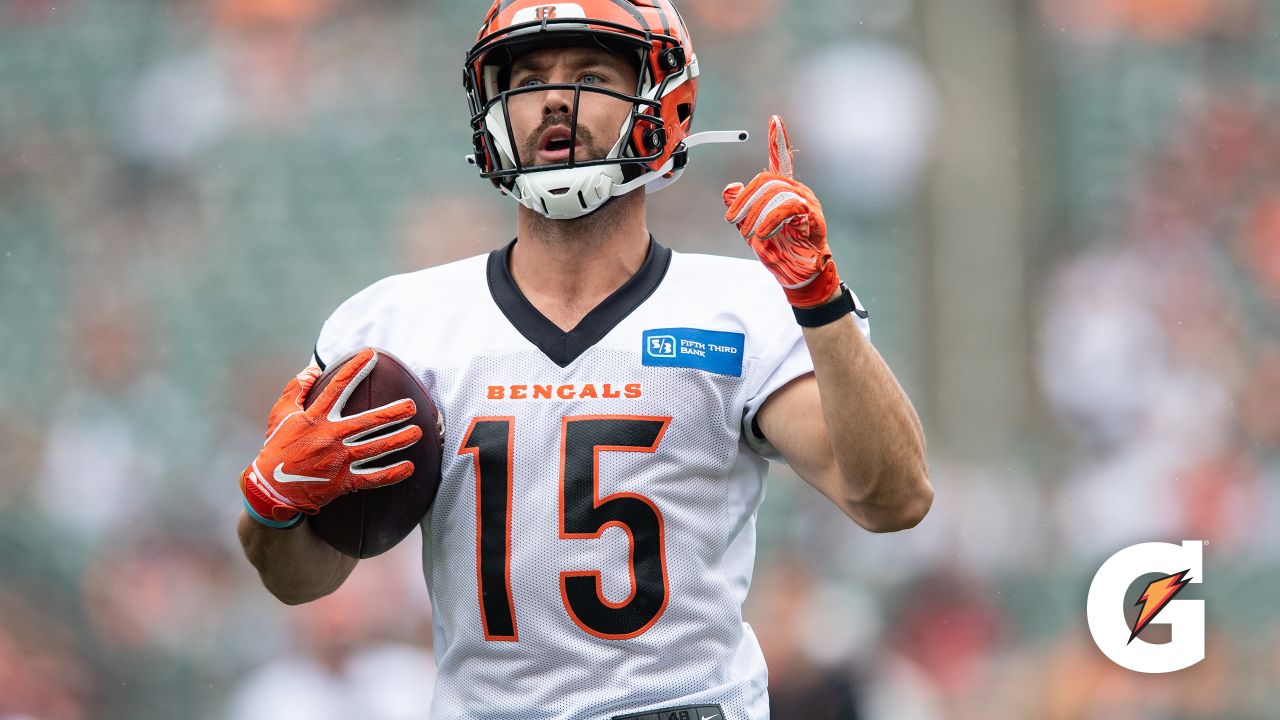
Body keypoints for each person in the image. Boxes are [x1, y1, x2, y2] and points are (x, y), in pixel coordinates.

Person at [237, 1, 932, 717]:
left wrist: (820, 301)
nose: (553, 102)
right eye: (529, 78)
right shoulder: (396, 324)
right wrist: (274, 505)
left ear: (665, 100)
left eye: (591, 75)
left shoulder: (743, 307)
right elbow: (299, 580)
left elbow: (891, 498)